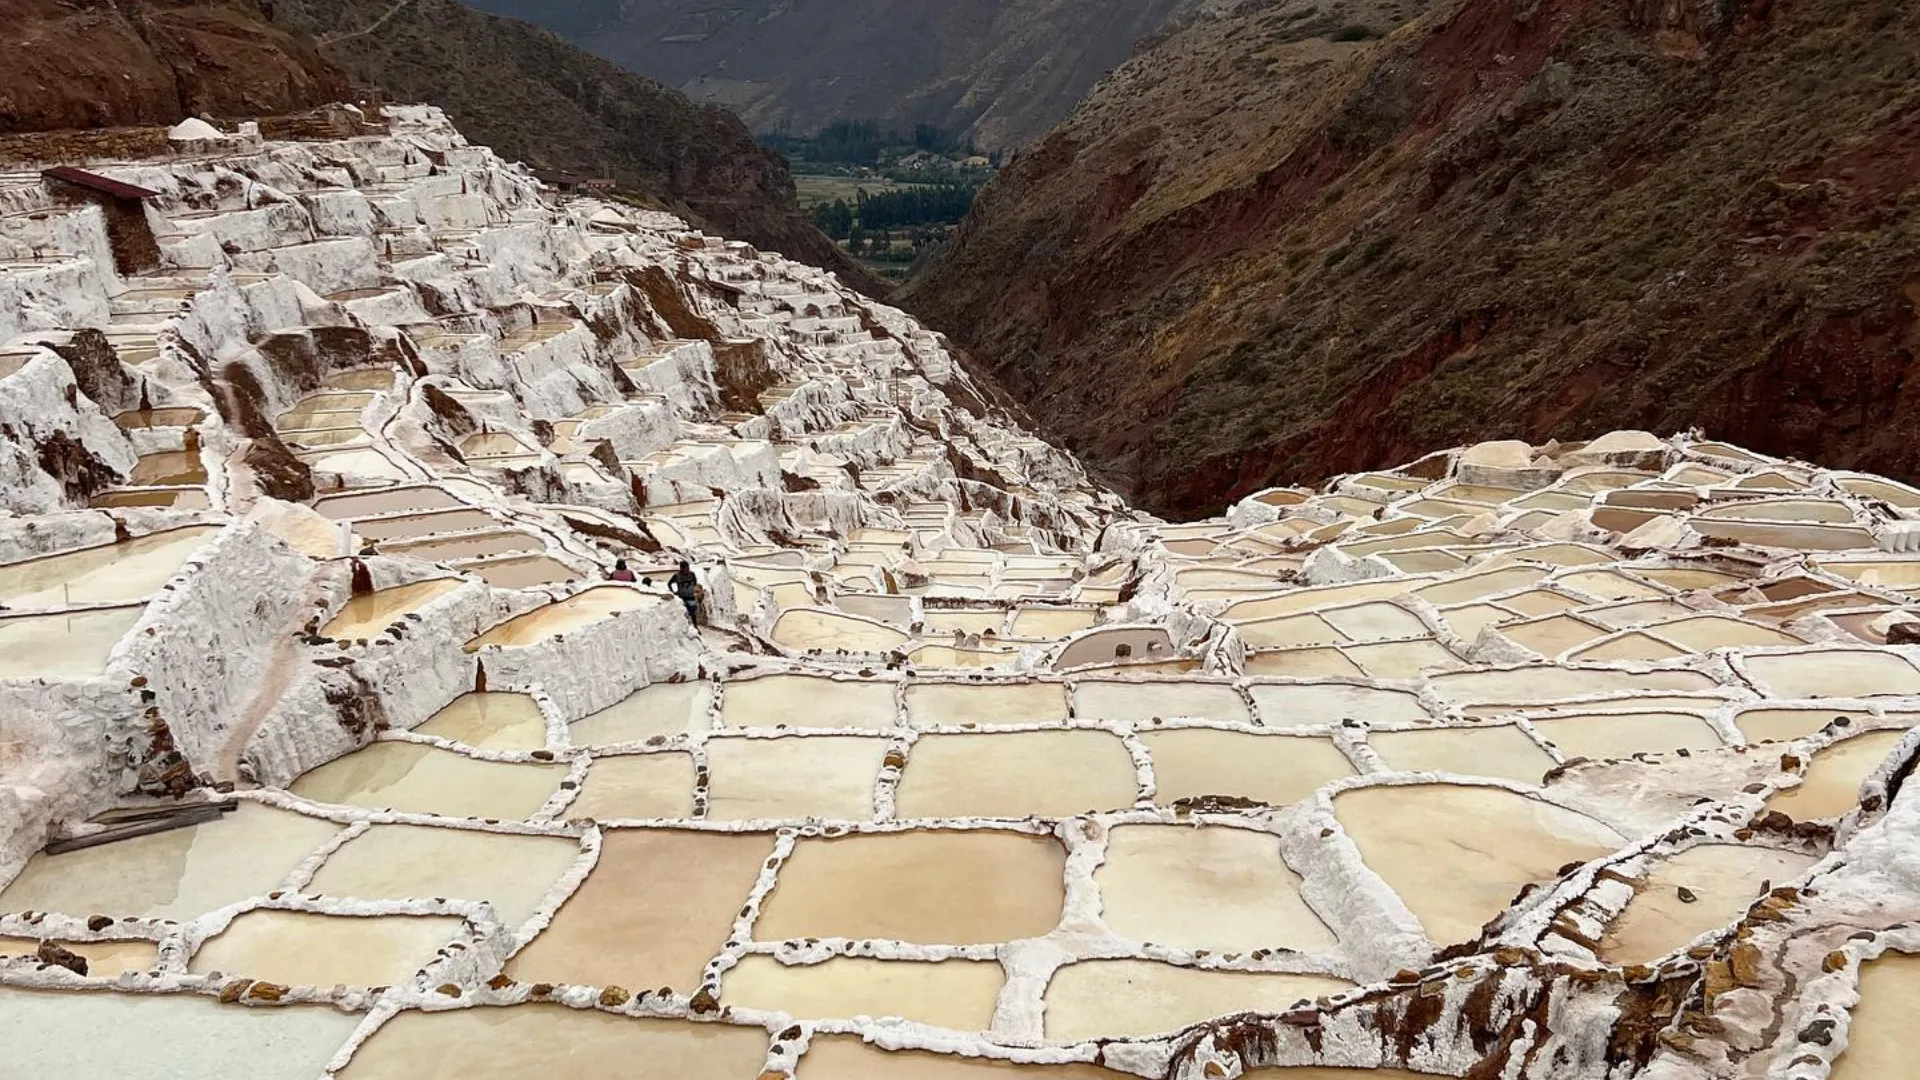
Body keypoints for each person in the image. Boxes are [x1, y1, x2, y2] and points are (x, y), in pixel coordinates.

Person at [669, 560, 700, 625]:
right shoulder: (676, 576)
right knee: (684, 614)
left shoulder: (692, 574)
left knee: (693, 613)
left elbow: (695, 583)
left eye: (688, 568)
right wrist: (674, 592)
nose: (688, 570)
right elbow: (669, 583)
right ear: (681, 568)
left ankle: (695, 627)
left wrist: (691, 589)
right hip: (682, 598)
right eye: (686, 569)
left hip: (691, 597)